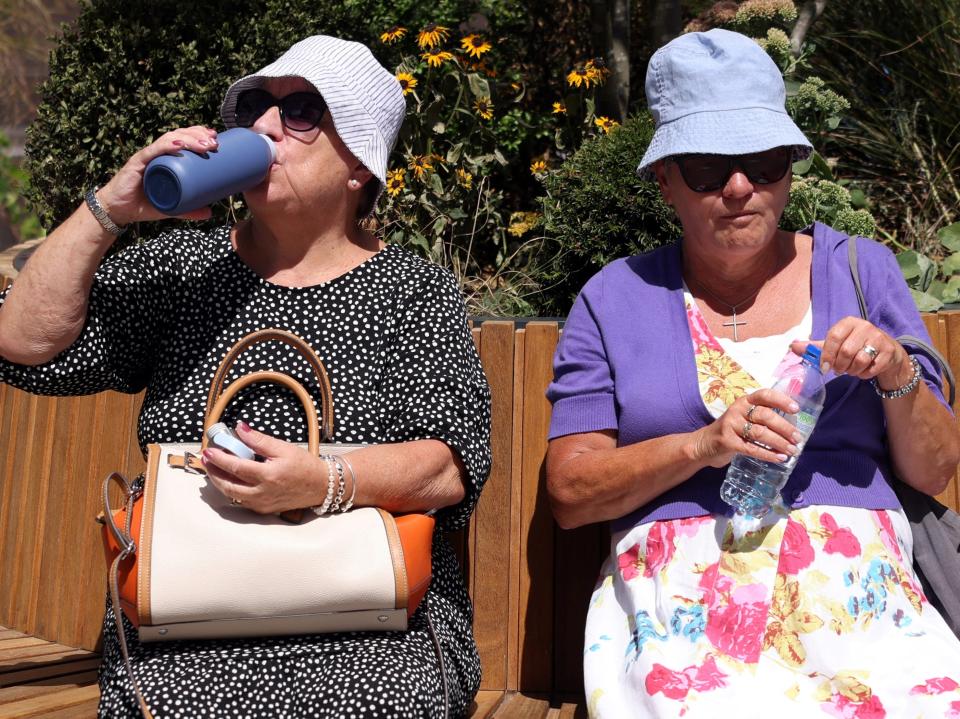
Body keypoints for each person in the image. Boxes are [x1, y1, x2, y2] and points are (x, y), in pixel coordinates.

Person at [0, 35, 491, 718]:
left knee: (378, 700)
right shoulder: (184, 268)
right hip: (187, 622)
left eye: (301, 113)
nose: (261, 125)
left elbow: (449, 466)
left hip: (371, 623)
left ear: (359, 164)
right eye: (256, 106)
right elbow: (22, 344)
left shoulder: (414, 291)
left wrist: (322, 482)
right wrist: (111, 209)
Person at [545, 28, 960, 718]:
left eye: (764, 162)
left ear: (790, 169)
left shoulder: (860, 271)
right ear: (665, 178)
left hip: (863, 610)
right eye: (709, 167)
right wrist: (701, 446)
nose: (740, 187)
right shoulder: (614, 299)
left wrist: (894, 370)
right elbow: (571, 491)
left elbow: (937, 469)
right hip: (683, 625)